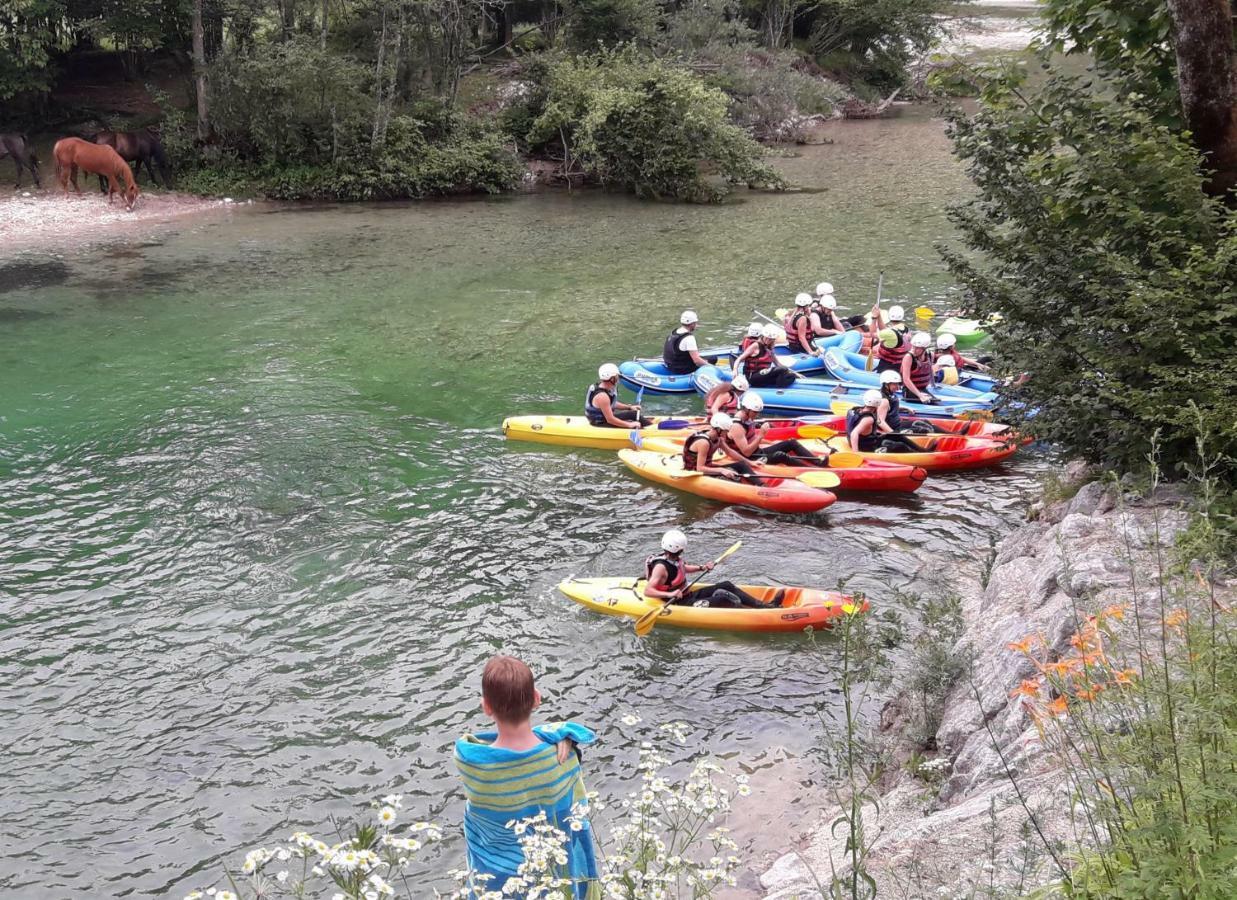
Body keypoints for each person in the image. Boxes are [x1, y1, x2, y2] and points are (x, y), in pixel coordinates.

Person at [455, 655, 600, 898]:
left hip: (499, 886)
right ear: (536, 698)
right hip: (555, 883)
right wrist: (563, 734)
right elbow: (577, 816)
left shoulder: (471, 761)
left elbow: (473, 743)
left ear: (486, 707)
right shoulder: (563, 758)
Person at [643, 529, 777, 609]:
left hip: (687, 595)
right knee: (723, 600)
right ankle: (755, 614)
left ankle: (762, 605)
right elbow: (648, 591)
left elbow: (683, 568)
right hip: (679, 603)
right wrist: (670, 595)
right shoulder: (660, 568)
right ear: (681, 547)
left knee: (727, 585)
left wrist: (702, 568)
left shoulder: (673, 558)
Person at [725, 392, 829, 467]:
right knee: (780, 456)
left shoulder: (748, 418)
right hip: (750, 458)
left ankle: (817, 462)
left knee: (791, 442)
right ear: (747, 409)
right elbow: (746, 452)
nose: (757, 414)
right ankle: (811, 470)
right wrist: (761, 435)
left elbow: (752, 438)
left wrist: (771, 443)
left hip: (757, 451)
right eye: (755, 412)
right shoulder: (737, 427)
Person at [681, 413, 760, 480]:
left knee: (741, 465)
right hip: (694, 471)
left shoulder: (719, 439)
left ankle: (761, 485)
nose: (727, 433)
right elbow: (700, 468)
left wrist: (750, 462)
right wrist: (722, 470)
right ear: (718, 429)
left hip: (708, 466)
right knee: (731, 477)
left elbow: (730, 452)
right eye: (726, 431)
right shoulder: (704, 443)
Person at [846, 389, 921, 453]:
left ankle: (921, 451)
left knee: (897, 436)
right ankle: (919, 454)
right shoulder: (869, 419)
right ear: (878, 403)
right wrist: (856, 453)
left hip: (869, 441)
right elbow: (854, 433)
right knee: (900, 446)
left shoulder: (854, 410)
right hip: (868, 448)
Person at [585, 363, 651, 428]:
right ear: (611, 379)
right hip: (600, 422)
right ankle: (652, 429)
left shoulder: (604, 388)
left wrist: (629, 407)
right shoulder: (602, 396)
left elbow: (611, 403)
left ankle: (651, 425)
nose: (618, 378)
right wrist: (629, 424)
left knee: (633, 413)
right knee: (633, 416)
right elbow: (610, 420)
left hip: (603, 419)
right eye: (617, 376)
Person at [735, 323, 797, 388]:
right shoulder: (755, 345)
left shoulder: (770, 348)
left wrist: (795, 373)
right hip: (752, 377)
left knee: (791, 375)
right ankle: (779, 388)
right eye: (767, 338)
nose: (768, 340)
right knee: (783, 369)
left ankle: (779, 385)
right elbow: (739, 359)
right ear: (763, 335)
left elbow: (777, 363)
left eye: (770, 339)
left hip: (763, 375)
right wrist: (735, 370)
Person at [663, 310, 707, 375]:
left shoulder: (675, 332)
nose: (696, 325)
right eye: (695, 323)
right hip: (683, 369)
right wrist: (710, 366)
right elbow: (697, 361)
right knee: (713, 359)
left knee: (706, 358)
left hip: (671, 365)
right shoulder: (689, 338)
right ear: (692, 324)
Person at [870, 304, 910, 373]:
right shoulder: (906, 329)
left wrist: (874, 318)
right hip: (899, 365)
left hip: (888, 367)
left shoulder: (890, 333)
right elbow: (884, 331)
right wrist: (879, 316)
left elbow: (872, 334)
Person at [900, 331, 938, 405]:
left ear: (924, 348)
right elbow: (906, 379)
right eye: (913, 346)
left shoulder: (930, 355)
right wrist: (920, 396)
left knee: (935, 402)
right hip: (909, 391)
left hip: (923, 388)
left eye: (917, 348)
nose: (914, 349)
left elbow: (930, 371)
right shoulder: (908, 357)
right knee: (929, 403)